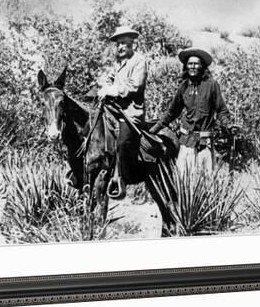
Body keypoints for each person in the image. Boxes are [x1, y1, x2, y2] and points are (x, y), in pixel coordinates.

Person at [151, 48, 237, 175]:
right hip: (186, 142)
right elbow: (172, 112)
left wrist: (229, 125)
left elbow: (221, 110)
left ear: (202, 66)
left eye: (196, 63)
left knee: (205, 180)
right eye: (190, 64)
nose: (193, 66)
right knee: (184, 179)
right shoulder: (183, 87)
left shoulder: (212, 85)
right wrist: (155, 128)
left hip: (204, 142)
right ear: (186, 66)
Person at [97, 25, 148, 194]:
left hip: (130, 113)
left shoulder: (139, 61)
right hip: (113, 110)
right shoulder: (118, 63)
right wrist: (104, 85)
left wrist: (112, 90)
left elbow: (134, 87)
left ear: (132, 44)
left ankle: (122, 179)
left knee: (123, 142)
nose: (120, 47)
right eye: (118, 44)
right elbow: (108, 78)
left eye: (124, 43)